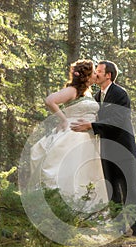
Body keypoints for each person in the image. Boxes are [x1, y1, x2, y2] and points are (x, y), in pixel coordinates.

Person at [71, 60, 136, 237]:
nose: (96, 73)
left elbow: (117, 121)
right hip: (105, 149)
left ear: (109, 75)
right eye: (96, 71)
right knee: (111, 190)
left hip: (124, 150)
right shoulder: (97, 97)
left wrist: (91, 125)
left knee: (130, 190)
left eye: (99, 71)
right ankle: (118, 229)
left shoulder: (121, 94)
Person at [29, 59, 108, 212]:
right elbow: (50, 100)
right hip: (75, 135)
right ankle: (63, 208)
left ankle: (88, 209)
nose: (95, 75)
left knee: (87, 174)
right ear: (86, 76)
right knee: (68, 170)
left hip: (89, 138)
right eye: (93, 73)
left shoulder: (87, 93)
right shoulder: (73, 90)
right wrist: (64, 119)